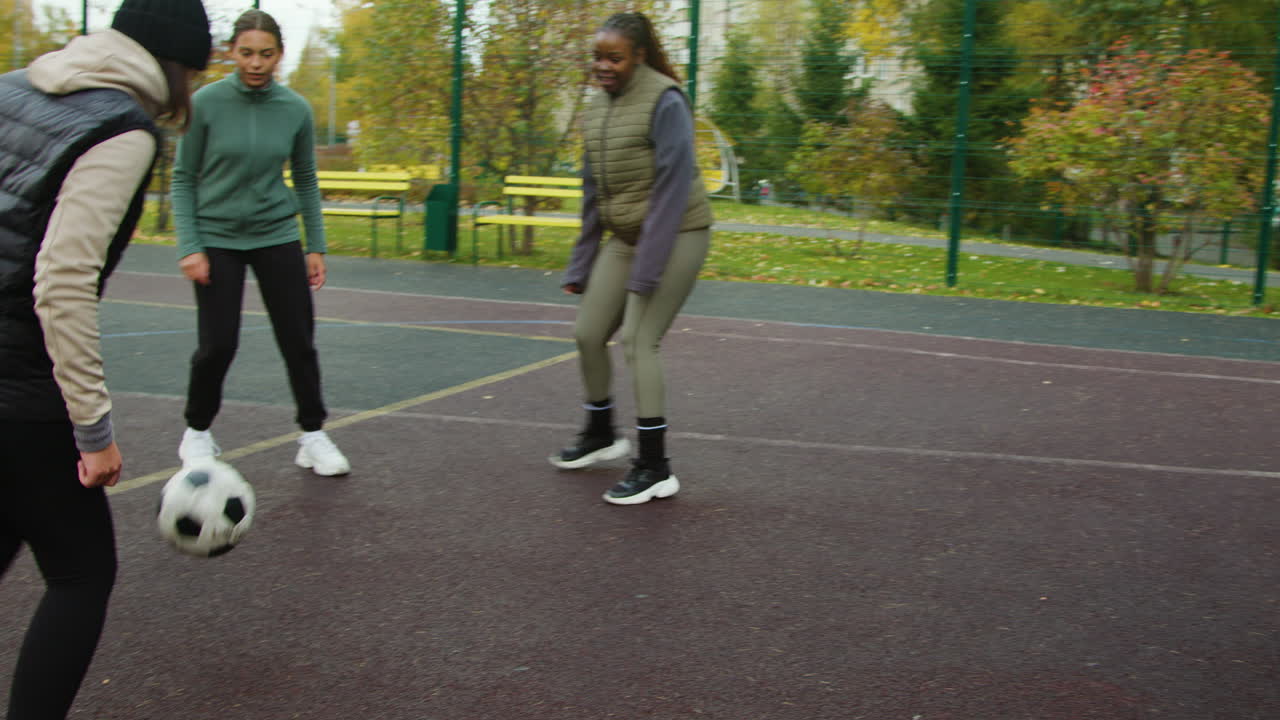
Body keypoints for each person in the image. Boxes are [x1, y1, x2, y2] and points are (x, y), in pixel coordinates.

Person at [0, 1, 212, 716]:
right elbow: (61, 280)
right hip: (23, 385)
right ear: (175, 67)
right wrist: (93, 431)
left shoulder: (11, 88)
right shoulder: (121, 133)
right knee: (81, 572)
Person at [171, 9, 350, 477]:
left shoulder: (295, 109)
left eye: (265, 54)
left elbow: (307, 180)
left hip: (277, 234)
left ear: (279, 56)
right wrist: (190, 245)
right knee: (218, 345)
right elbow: (183, 178)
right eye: (246, 53)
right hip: (216, 238)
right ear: (232, 52)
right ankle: (197, 431)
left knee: (299, 342)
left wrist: (316, 246)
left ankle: (313, 435)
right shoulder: (205, 103)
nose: (255, 63)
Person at [549, 12, 713, 505]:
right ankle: (600, 433)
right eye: (598, 56)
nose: (603, 66)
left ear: (639, 56)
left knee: (640, 342)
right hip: (625, 237)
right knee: (587, 333)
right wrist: (581, 265)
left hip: (678, 232)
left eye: (614, 58)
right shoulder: (596, 106)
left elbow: (670, 190)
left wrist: (647, 271)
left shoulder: (665, 101)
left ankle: (655, 466)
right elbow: (592, 191)